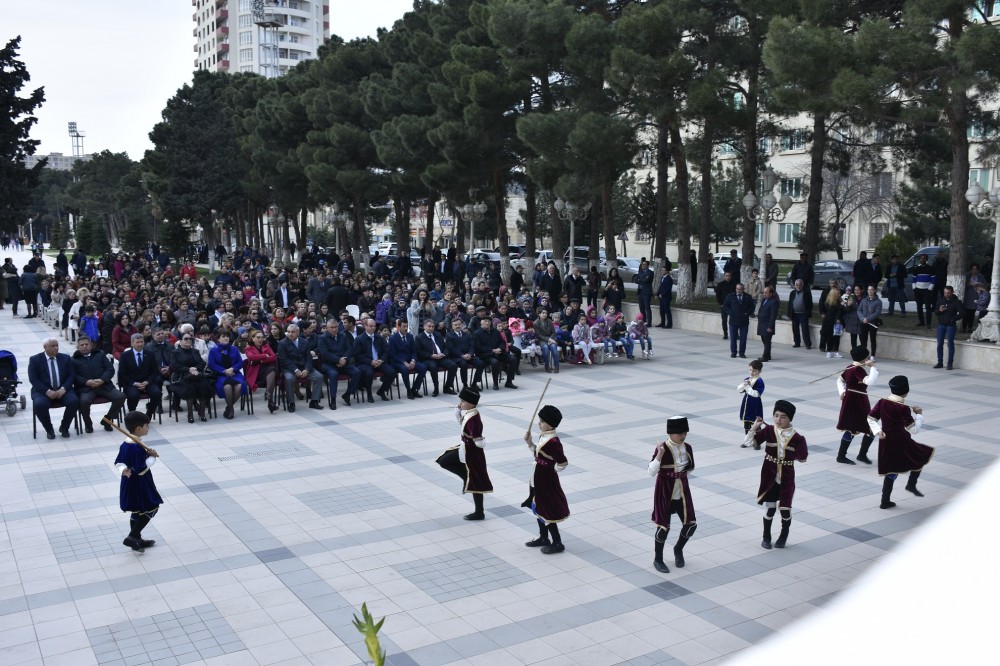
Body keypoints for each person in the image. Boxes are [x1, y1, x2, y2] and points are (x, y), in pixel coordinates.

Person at [744, 400, 808, 550]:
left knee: (785, 509)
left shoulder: (798, 438)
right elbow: (749, 442)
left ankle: (783, 535)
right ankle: (766, 537)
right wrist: (754, 427)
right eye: (776, 416)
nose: (778, 420)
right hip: (769, 472)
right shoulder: (769, 430)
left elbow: (803, 459)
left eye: (783, 417)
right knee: (770, 507)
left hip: (787, 475)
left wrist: (800, 450)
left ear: (790, 418)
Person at [867, 376, 934, 509]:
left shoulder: (882, 402)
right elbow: (913, 429)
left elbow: (870, 418)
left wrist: (878, 431)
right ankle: (911, 484)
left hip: (886, 441)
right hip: (900, 440)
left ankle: (885, 501)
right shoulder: (903, 408)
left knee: (892, 468)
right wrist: (919, 414)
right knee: (922, 455)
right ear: (906, 391)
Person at [647, 416, 697, 573]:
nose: (682, 436)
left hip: (682, 491)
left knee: (691, 525)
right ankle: (658, 559)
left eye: (684, 433)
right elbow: (651, 471)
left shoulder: (687, 447)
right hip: (665, 491)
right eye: (679, 434)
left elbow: (690, 467)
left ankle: (678, 549)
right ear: (670, 433)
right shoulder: (662, 448)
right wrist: (659, 456)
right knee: (663, 527)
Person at [436, 387, 493, 520]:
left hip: (472, 452)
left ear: (472, 403)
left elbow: (478, 440)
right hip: (465, 448)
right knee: (444, 461)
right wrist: (458, 412)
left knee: (476, 481)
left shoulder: (475, 419)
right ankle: (465, 476)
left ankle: (479, 512)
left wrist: (479, 441)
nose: (460, 404)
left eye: (463, 401)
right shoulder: (469, 413)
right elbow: (463, 426)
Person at [523, 405, 569, 555]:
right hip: (537, 477)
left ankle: (557, 542)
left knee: (546, 509)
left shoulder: (554, 442)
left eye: (542, 421)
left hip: (545, 480)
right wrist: (530, 443)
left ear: (551, 423)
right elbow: (539, 455)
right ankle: (544, 537)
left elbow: (562, 462)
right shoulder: (545, 436)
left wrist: (551, 470)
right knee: (537, 506)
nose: (539, 423)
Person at [114, 411, 162, 553]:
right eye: (147, 426)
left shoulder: (126, 444)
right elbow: (140, 469)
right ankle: (132, 536)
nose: (148, 428)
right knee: (152, 506)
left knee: (137, 510)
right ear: (138, 428)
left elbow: (118, 462)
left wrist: (123, 469)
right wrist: (152, 457)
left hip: (129, 483)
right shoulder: (136, 446)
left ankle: (137, 540)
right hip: (140, 484)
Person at [28, 337, 79, 439]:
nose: (56, 348)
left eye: (57, 345)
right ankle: (49, 429)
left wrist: (63, 389)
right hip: (43, 391)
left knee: (74, 401)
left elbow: (71, 375)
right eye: (53, 346)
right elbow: (33, 379)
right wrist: (47, 391)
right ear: (45, 347)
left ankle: (64, 427)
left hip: (63, 389)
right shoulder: (35, 360)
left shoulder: (65, 358)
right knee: (39, 405)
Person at [72, 335, 126, 433]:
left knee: (120, 397)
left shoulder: (100, 354)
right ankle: (88, 423)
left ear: (91, 345)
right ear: (78, 347)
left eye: (86, 344)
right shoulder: (73, 359)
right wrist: (86, 382)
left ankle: (108, 420)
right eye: (82, 345)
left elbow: (109, 369)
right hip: (86, 388)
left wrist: (102, 380)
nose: (84, 346)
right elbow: (73, 376)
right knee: (83, 402)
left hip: (104, 385)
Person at [836, 346, 878, 465]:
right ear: (864, 359)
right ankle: (841, 456)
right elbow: (871, 382)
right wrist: (873, 367)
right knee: (852, 427)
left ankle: (861, 455)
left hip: (859, 400)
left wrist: (842, 391)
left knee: (868, 428)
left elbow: (839, 381)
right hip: (854, 402)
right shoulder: (856, 369)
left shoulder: (851, 367)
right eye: (867, 356)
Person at [278, 323, 324, 411]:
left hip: (304, 368)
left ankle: (314, 401)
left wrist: (307, 369)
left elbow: (309, 358)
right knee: (289, 379)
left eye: (293, 332)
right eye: (288, 332)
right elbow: (284, 360)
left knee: (319, 377)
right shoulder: (282, 343)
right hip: (290, 369)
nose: (290, 334)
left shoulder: (304, 342)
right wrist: (295, 370)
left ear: (298, 332)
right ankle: (291, 403)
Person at [317, 319, 362, 407]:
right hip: (329, 364)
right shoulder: (322, 338)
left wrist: (344, 359)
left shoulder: (343, 335)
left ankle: (347, 394)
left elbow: (349, 349)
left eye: (336, 327)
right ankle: (333, 400)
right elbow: (324, 354)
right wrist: (338, 360)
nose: (334, 329)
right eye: (332, 327)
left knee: (357, 372)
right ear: (327, 328)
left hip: (344, 363)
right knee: (333, 375)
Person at [169, 332, 212, 422]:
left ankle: (202, 413)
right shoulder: (175, 352)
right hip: (181, 376)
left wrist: (195, 369)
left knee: (203, 386)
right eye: (186, 339)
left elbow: (202, 363)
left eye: (190, 339)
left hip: (196, 375)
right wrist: (188, 369)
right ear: (180, 341)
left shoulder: (195, 351)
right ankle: (190, 414)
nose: (189, 340)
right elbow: (174, 366)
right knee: (191, 388)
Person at [118, 333, 163, 418]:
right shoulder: (125, 356)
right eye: (137, 342)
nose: (140, 344)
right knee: (133, 395)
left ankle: (149, 412)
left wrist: (147, 382)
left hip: (147, 382)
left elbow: (155, 371)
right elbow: (122, 373)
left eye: (142, 342)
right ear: (132, 343)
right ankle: (132, 414)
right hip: (132, 383)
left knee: (157, 393)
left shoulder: (150, 354)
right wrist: (134, 383)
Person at [207, 330, 248, 419]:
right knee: (227, 386)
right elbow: (212, 364)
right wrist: (224, 371)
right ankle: (231, 409)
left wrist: (232, 368)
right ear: (218, 339)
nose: (226, 338)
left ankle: (229, 407)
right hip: (221, 375)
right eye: (223, 336)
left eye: (227, 336)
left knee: (239, 386)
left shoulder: (234, 349)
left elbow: (240, 362)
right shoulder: (213, 351)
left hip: (234, 373)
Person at [352, 318, 396, 402]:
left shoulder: (379, 337)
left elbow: (386, 351)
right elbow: (357, 355)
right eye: (371, 326)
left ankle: (381, 391)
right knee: (369, 373)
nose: (373, 328)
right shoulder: (359, 339)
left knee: (392, 372)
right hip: (366, 363)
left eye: (374, 326)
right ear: (365, 326)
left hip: (378, 362)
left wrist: (381, 360)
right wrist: (370, 361)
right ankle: (369, 393)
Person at [417, 318, 458, 395]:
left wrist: (443, 354)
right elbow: (419, 352)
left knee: (453, 365)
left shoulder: (438, 335)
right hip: (429, 358)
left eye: (433, 326)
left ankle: (447, 387)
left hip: (441, 357)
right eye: (429, 326)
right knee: (433, 367)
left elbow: (446, 347)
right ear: (424, 326)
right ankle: (436, 388)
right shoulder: (419, 337)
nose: (431, 328)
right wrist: (431, 355)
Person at [387, 319, 427, 399]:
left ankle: (414, 389)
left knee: (423, 367)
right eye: (404, 326)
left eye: (407, 326)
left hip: (409, 360)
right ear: (398, 327)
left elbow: (414, 351)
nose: (406, 328)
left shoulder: (410, 336)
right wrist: (403, 362)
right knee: (404, 370)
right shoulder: (392, 338)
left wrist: (413, 360)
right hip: (398, 362)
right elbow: (392, 355)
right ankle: (408, 390)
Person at [933, 285, 962, 370]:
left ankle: (950, 363)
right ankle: (940, 362)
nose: (947, 295)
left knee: (950, 344)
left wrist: (954, 319)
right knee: (939, 344)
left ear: (952, 292)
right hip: (941, 324)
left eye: (948, 293)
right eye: (945, 293)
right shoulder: (941, 300)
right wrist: (939, 310)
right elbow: (935, 311)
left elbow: (962, 313)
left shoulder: (956, 302)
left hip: (950, 326)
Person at [723, 282, 754, 358]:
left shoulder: (748, 297)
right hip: (733, 321)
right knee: (733, 338)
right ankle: (733, 352)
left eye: (740, 289)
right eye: (737, 289)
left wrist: (747, 313)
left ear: (743, 289)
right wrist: (730, 313)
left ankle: (742, 352)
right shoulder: (730, 296)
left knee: (743, 338)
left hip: (744, 321)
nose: (738, 291)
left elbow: (752, 307)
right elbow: (725, 306)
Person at [737, 360, 765, 439]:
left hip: (755, 404)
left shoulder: (760, 381)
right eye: (750, 370)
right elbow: (739, 390)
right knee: (746, 423)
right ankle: (747, 441)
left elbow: (756, 394)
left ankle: (758, 441)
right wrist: (743, 385)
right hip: (746, 404)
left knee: (756, 423)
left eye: (754, 371)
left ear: (759, 371)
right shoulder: (747, 379)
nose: (751, 372)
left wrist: (747, 387)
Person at [819, 286, 844, 359]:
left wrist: (842, 305)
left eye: (839, 294)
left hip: (838, 322)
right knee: (829, 336)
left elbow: (842, 312)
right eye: (837, 294)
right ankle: (829, 351)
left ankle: (836, 351)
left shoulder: (840, 301)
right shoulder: (828, 302)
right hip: (830, 321)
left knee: (837, 337)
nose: (839, 295)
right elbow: (831, 312)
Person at [787, 279, 813, 349]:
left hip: (803, 314)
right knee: (795, 329)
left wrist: (808, 313)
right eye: (797, 285)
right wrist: (789, 314)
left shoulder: (806, 292)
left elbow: (810, 304)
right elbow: (790, 304)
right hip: (794, 314)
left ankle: (808, 344)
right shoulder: (792, 293)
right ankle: (797, 343)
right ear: (795, 285)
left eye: (800, 285)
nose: (798, 286)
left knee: (805, 329)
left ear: (802, 285)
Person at [857, 285, 882, 359]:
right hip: (863, 323)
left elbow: (877, 313)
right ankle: (864, 355)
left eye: (871, 290)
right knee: (863, 339)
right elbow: (859, 310)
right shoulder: (864, 300)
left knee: (873, 339)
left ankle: (872, 355)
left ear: (874, 291)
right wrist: (862, 319)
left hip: (873, 323)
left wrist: (867, 319)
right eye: (868, 289)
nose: (869, 291)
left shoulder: (878, 302)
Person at [911, 254, 935, 328]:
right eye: (921, 258)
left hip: (926, 290)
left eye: (924, 258)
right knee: (919, 306)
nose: (922, 260)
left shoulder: (930, 268)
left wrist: (930, 288)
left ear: (926, 259)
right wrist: (914, 288)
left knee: (928, 307)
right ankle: (921, 322)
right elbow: (914, 279)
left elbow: (933, 279)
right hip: (918, 289)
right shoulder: (916, 269)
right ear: (919, 260)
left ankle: (928, 323)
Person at [533, 308, 560, 373]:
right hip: (542, 340)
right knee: (545, 348)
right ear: (539, 314)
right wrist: (548, 339)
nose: (545, 314)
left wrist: (550, 339)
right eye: (543, 313)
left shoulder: (549, 321)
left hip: (551, 338)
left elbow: (553, 332)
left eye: (546, 313)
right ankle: (547, 366)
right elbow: (539, 335)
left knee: (553, 347)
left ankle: (556, 366)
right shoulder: (536, 323)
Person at [756, 286, 779, 362]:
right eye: (764, 292)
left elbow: (773, 316)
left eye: (766, 293)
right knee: (764, 340)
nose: (764, 294)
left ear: (771, 293)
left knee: (767, 341)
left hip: (767, 325)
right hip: (762, 324)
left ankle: (765, 357)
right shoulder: (764, 300)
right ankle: (767, 355)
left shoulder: (774, 302)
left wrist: (770, 326)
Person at [715, 271, 736, 339]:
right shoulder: (720, 284)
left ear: (731, 276)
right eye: (726, 276)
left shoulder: (734, 284)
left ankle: (735, 334)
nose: (728, 277)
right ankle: (725, 334)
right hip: (724, 305)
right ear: (724, 276)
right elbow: (718, 295)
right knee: (724, 320)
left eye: (729, 275)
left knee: (734, 320)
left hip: (733, 305)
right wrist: (720, 304)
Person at [634, 259, 654, 323]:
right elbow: (636, 280)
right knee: (641, 307)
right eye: (642, 264)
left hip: (646, 292)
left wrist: (640, 280)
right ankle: (643, 319)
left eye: (645, 264)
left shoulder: (650, 273)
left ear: (648, 266)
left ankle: (649, 321)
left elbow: (646, 281)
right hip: (640, 292)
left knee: (647, 307)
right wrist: (641, 280)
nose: (643, 266)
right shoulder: (640, 272)